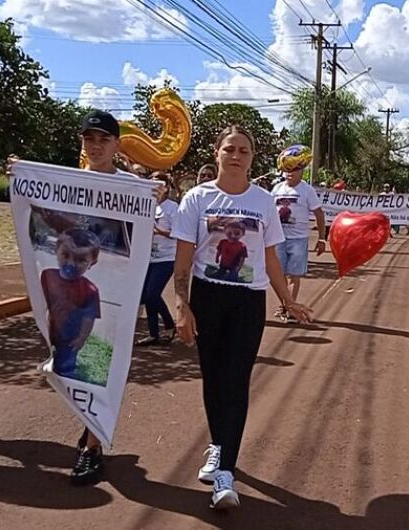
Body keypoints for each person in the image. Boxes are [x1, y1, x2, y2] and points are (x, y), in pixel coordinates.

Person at [171, 125, 312, 510]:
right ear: (216, 153)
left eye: (244, 151)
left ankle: (225, 473)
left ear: (252, 158)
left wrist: (288, 300)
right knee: (213, 379)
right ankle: (219, 446)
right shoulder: (196, 199)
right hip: (208, 298)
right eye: (230, 149)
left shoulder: (263, 201)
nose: (236, 156)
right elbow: (183, 260)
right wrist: (182, 306)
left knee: (236, 380)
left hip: (248, 302)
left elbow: (269, 258)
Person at [8, 109, 138, 485]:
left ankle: (92, 446)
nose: (96, 146)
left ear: (116, 144)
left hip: (114, 289)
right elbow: (41, 213)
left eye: (103, 139)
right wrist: (20, 178)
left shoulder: (131, 187)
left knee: (106, 370)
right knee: (67, 366)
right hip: (67, 291)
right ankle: (89, 431)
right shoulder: (66, 183)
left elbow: (143, 231)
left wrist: (155, 195)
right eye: (89, 139)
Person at [271, 146, 326, 323]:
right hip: (278, 238)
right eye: (287, 170)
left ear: (302, 171)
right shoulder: (276, 189)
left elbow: (319, 214)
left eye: (294, 170)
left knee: (293, 275)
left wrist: (322, 239)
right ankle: (286, 305)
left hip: (298, 239)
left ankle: (289, 308)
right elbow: (268, 213)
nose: (290, 173)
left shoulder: (307, 191)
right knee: (278, 275)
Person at [41, 229, 102, 378]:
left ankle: (66, 378)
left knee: (66, 364)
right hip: (49, 330)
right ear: (56, 251)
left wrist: (81, 338)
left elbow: (89, 318)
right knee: (46, 356)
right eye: (66, 255)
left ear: (91, 263)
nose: (71, 263)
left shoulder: (90, 290)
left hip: (70, 337)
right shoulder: (47, 276)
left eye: (80, 260)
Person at [136, 172, 178, 346]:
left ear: (166, 187)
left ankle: (169, 324)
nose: (155, 187)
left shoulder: (172, 207)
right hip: (149, 257)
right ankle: (153, 334)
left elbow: (177, 233)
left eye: (159, 184)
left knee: (152, 294)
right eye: (151, 184)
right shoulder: (148, 206)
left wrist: (158, 231)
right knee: (145, 296)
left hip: (167, 258)